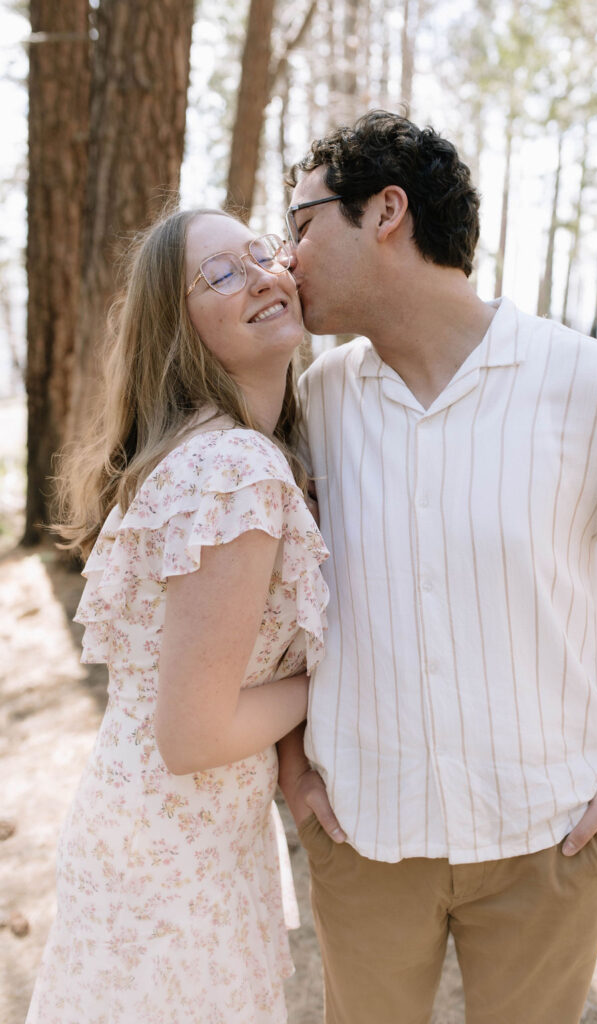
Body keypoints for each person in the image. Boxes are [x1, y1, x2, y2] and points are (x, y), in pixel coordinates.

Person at [277, 111, 597, 1024]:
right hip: (362, 836)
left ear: (387, 211)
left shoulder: (587, 383)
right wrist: (293, 771)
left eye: (301, 224)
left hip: (547, 840)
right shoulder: (313, 403)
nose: (284, 256)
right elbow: (274, 612)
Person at [26, 208, 329, 1024]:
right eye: (221, 274)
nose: (263, 274)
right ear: (179, 328)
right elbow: (192, 734)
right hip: (170, 865)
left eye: (261, 253)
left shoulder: (217, 449)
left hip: (166, 837)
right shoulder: (233, 467)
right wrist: (328, 677)